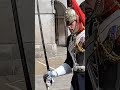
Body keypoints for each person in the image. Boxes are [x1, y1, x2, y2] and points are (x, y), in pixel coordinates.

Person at [43, 8, 85, 90]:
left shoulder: (88, 35)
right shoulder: (70, 39)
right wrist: (54, 73)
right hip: (76, 81)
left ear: (77, 20)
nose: (69, 27)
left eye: (71, 23)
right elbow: (69, 63)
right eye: (67, 24)